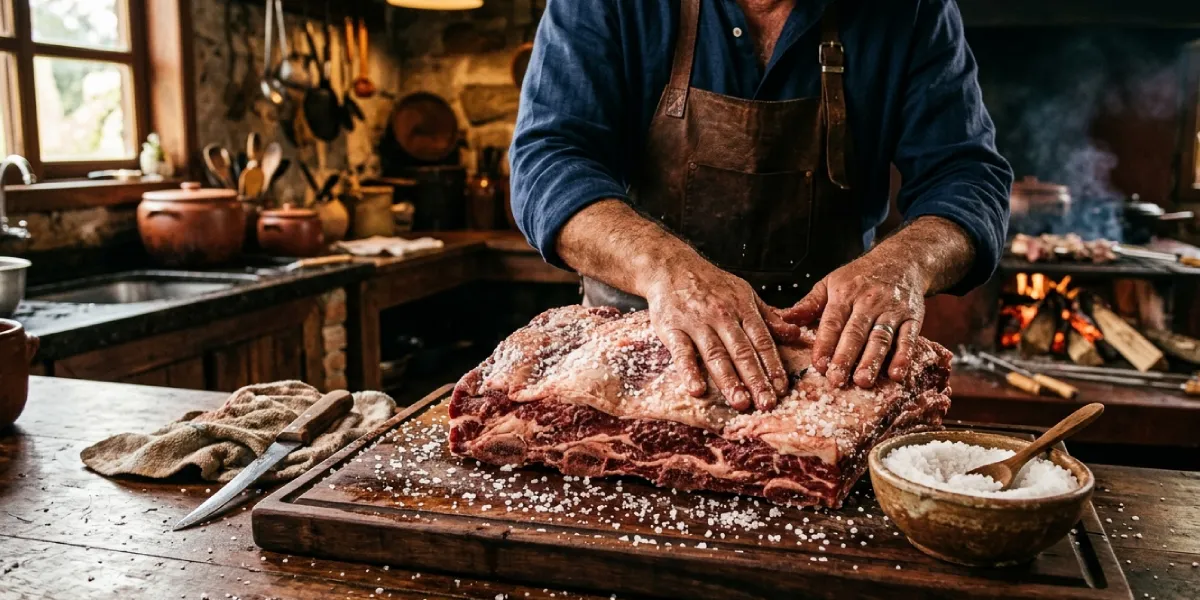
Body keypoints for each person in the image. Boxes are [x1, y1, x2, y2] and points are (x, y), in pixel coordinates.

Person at [509, 0, 1012, 412]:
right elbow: (546, 162)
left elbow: (968, 177)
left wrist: (902, 266)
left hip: (827, 368)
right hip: (639, 357)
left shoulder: (914, 11)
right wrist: (666, 270)